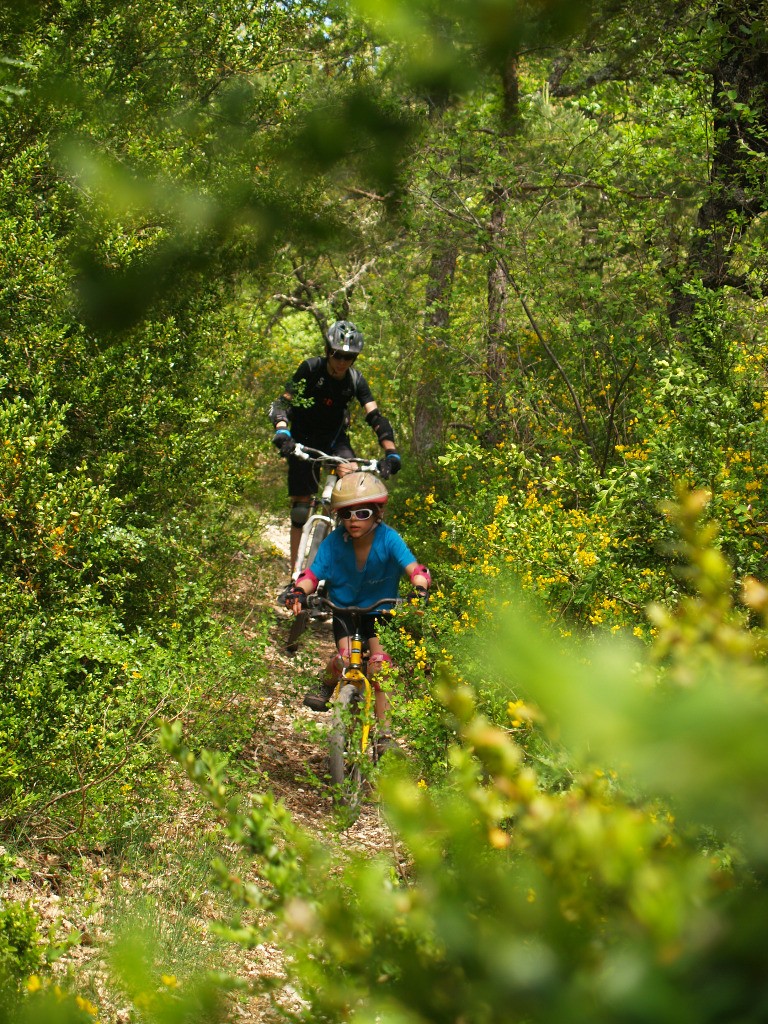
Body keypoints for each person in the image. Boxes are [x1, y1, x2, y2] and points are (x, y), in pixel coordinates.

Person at [284, 471, 430, 753]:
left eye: (362, 513)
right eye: (346, 514)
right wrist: (299, 590)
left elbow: (416, 570)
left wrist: (420, 588)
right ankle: (328, 681)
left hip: (381, 613)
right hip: (343, 611)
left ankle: (385, 736)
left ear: (378, 512)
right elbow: (312, 575)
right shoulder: (333, 542)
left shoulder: (389, 539)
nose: (353, 520)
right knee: (344, 661)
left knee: (379, 666)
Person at [268, 320, 402, 594]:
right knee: (300, 510)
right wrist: (283, 431)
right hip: (302, 440)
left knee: (352, 497)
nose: (342, 362)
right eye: (338, 355)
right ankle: (295, 575)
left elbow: (375, 417)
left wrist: (391, 452)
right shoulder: (310, 368)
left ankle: (339, 570)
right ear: (328, 351)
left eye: (349, 357)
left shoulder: (355, 380)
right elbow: (283, 402)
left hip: (335, 441)